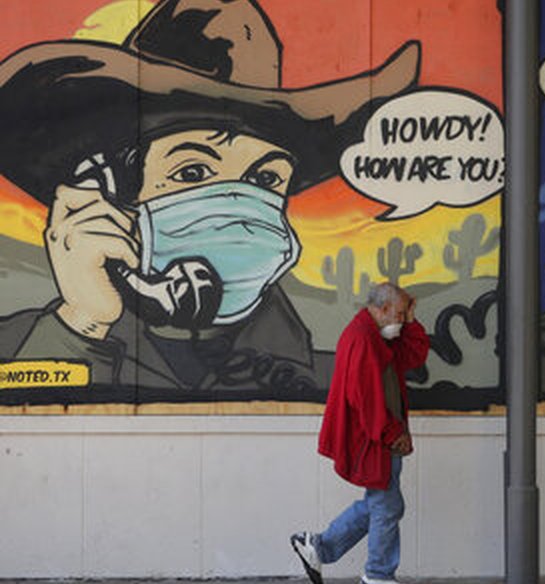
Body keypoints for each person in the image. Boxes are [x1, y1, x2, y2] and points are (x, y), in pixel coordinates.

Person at [0, 0, 419, 396]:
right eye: (193, 171)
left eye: (266, 176)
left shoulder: (337, 376)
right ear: (108, 191)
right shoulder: (18, 348)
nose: (238, 201)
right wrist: (82, 326)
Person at [291, 282, 430, 584]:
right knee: (386, 505)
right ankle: (378, 575)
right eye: (400, 314)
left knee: (383, 503)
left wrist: (412, 319)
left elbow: (415, 355)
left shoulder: (378, 335)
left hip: (380, 436)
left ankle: (319, 546)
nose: (402, 320)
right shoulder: (363, 340)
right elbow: (365, 399)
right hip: (376, 438)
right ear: (382, 309)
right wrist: (392, 433)